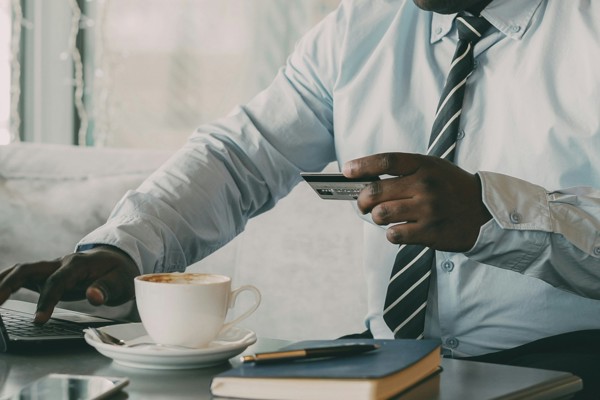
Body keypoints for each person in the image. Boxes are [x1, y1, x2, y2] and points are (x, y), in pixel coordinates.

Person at [2, 0, 600, 397]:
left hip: (569, 361)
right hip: (388, 359)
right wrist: (125, 245)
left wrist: (493, 214)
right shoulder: (359, 28)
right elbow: (240, 156)